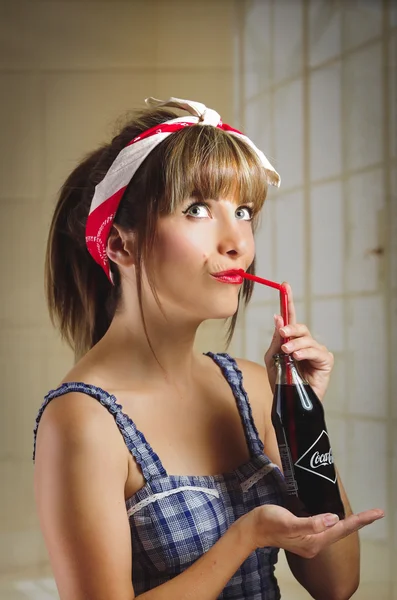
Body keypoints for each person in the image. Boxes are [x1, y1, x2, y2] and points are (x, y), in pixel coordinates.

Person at [33, 96, 383, 600]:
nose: (236, 240)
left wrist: (302, 418)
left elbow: (337, 584)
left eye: (243, 211)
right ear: (120, 244)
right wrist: (246, 538)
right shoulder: (82, 420)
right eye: (196, 209)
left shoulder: (255, 386)